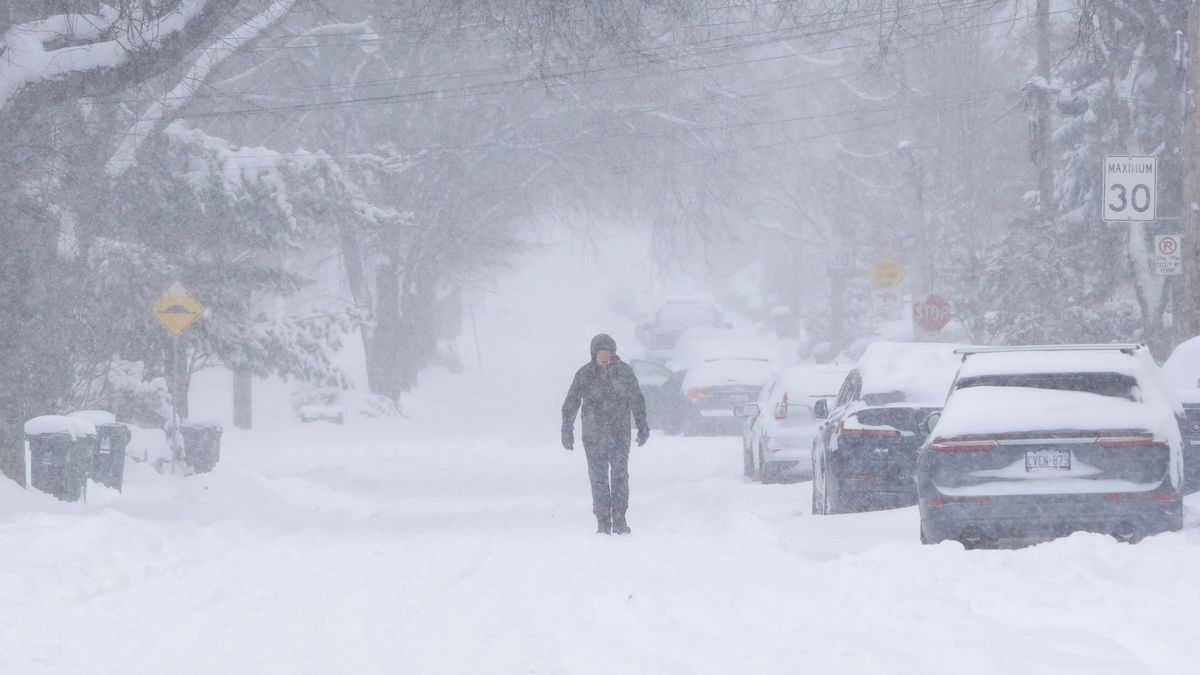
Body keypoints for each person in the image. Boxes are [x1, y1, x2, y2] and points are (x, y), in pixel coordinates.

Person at [561, 334, 649, 534]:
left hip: (619, 435)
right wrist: (567, 428)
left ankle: (619, 519)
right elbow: (571, 402)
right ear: (594, 354)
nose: (603, 357)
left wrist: (642, 425)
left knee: (620, 478)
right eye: (600, 353)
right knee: (598, 480)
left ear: (613, 353)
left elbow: (637, 399)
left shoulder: (624, 373)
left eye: (606, 353)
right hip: (594, 437)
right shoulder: (584, 374)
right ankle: (602, 521)